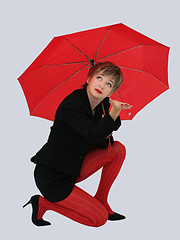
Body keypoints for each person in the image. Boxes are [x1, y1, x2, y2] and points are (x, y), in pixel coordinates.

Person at [23, 61, 133, 227]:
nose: (102, 85)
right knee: (99, 219)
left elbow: (104, 143)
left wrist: (109, 118)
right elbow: (94, 135)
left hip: (73, 166)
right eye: (99, 77)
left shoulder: (102, 105)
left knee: (117, 150)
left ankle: (102, 199)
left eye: (108, 84)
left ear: (112, 91)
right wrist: (113, 113)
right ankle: (43, 203)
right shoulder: (72, 104)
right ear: (89, 78)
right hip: (53, 177)